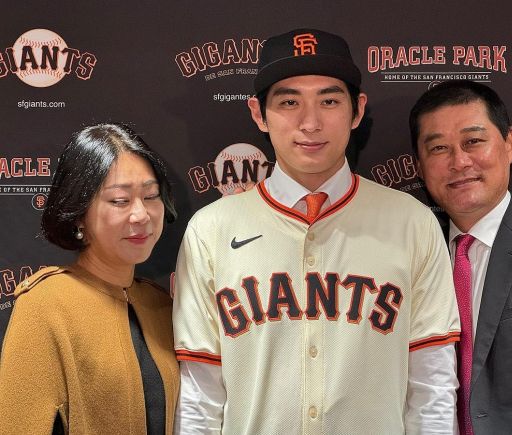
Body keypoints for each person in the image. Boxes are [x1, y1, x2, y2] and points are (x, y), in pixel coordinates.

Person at [173, 28, 460, 434]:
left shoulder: (412, 222)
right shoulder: (211, 230)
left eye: (329, 101)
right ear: (258, 113)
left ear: (357, 110)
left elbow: (431, 386)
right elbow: (200, 395)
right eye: (289, 102)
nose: (310, 123)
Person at [410, 79, 512, 434]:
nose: (459, 162)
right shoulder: (415, 255)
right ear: (420, 167)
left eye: (473, 141)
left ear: (509, 143)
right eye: (438, 148)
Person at [0, 123, 180, 434]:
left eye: (151, 196)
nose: (141, 214)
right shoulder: (45, 305)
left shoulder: (161, 305)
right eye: (120, 200)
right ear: (80, 213)